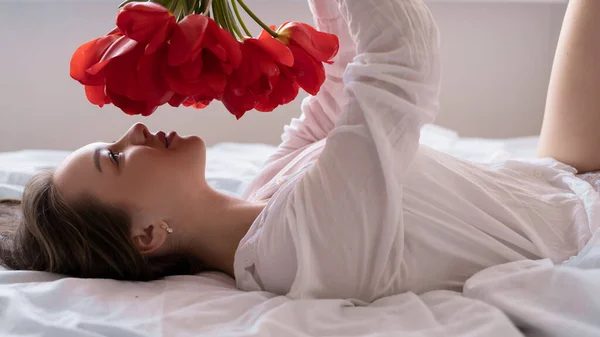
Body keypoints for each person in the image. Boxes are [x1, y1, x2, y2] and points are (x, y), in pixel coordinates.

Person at [1, 0, 599, 303]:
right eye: (114, 157)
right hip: (587, 220)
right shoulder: (299, 251)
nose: (134, 132)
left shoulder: (264, 197)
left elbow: (338, 85)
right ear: (149, 236)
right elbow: (399, 67)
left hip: (559, 171)